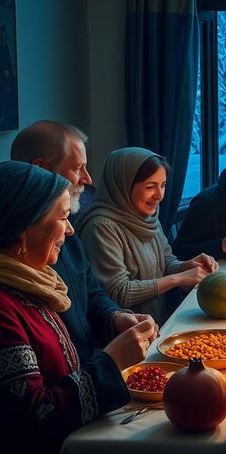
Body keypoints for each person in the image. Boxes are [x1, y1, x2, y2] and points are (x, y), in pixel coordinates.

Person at [0, 161, 155, 454]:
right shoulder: (5, 306)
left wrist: (116, 326)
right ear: (24, 228)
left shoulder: (34, 283)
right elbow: (36, 416)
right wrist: (111, 362)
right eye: (62, 218)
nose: (70, 231)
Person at [10, 121, 160, 368]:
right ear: (41, 169)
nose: (88, 180)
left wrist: (116, 317)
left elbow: (92, 293)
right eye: (78, 167)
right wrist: (107, 365)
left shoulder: (65, 231)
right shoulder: (22, 255)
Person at [76, 148, 217, 323]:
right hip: (125, 334)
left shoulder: (147, 216)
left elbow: (166, 263)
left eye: (163, 185)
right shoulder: (101, 226)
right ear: (124, 185)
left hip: (156, 323)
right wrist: (178, 278)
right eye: (150, 187)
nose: (159, 195)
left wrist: (186, 266)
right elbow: (119, 293)